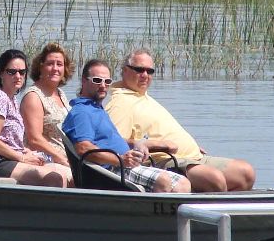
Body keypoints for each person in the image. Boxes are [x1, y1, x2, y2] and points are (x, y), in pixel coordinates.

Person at [103, 49, 256, 192]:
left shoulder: (141, 96)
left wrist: (188, 144)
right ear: (125, 70)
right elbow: (114, 143)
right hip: (165, 160)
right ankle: (195, 206)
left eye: (150, 71)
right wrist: (158, 145)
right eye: (139, 70)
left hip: (193, 156)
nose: (145, 75)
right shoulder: (120, 102)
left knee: (245, 174)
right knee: (215, 179)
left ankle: (211, 204)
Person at [61, 60, 191, 193]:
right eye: (97, 80)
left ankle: (167, 207)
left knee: (182, 183)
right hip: (110, 170)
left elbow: (106, 139)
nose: (103, 85)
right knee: (163, 180)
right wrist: (121, 159)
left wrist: (136, 145)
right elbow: (83, 148)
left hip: (124, 165)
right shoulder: (82, 113)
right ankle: (154, 207)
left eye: (107, 81)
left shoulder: (96, 109)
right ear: (84, 81)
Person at [0, 50, 72, 187]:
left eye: (22, 72)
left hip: (10, 159)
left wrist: (27, 152)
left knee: (60, 173)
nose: (17, 76)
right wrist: (22, 158)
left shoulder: (12, 100)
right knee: (54, 178)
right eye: (11, 72)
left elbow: (9, 141)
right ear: (1, 73)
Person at [19, 42, 73, 166]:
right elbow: (34, 139)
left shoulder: (60, 93)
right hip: (44, 160)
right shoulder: (33, 96)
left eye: (59, 64)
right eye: (50, 64)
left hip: (67, 158)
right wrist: (64, 160)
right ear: (40, 68)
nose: (55, 68)